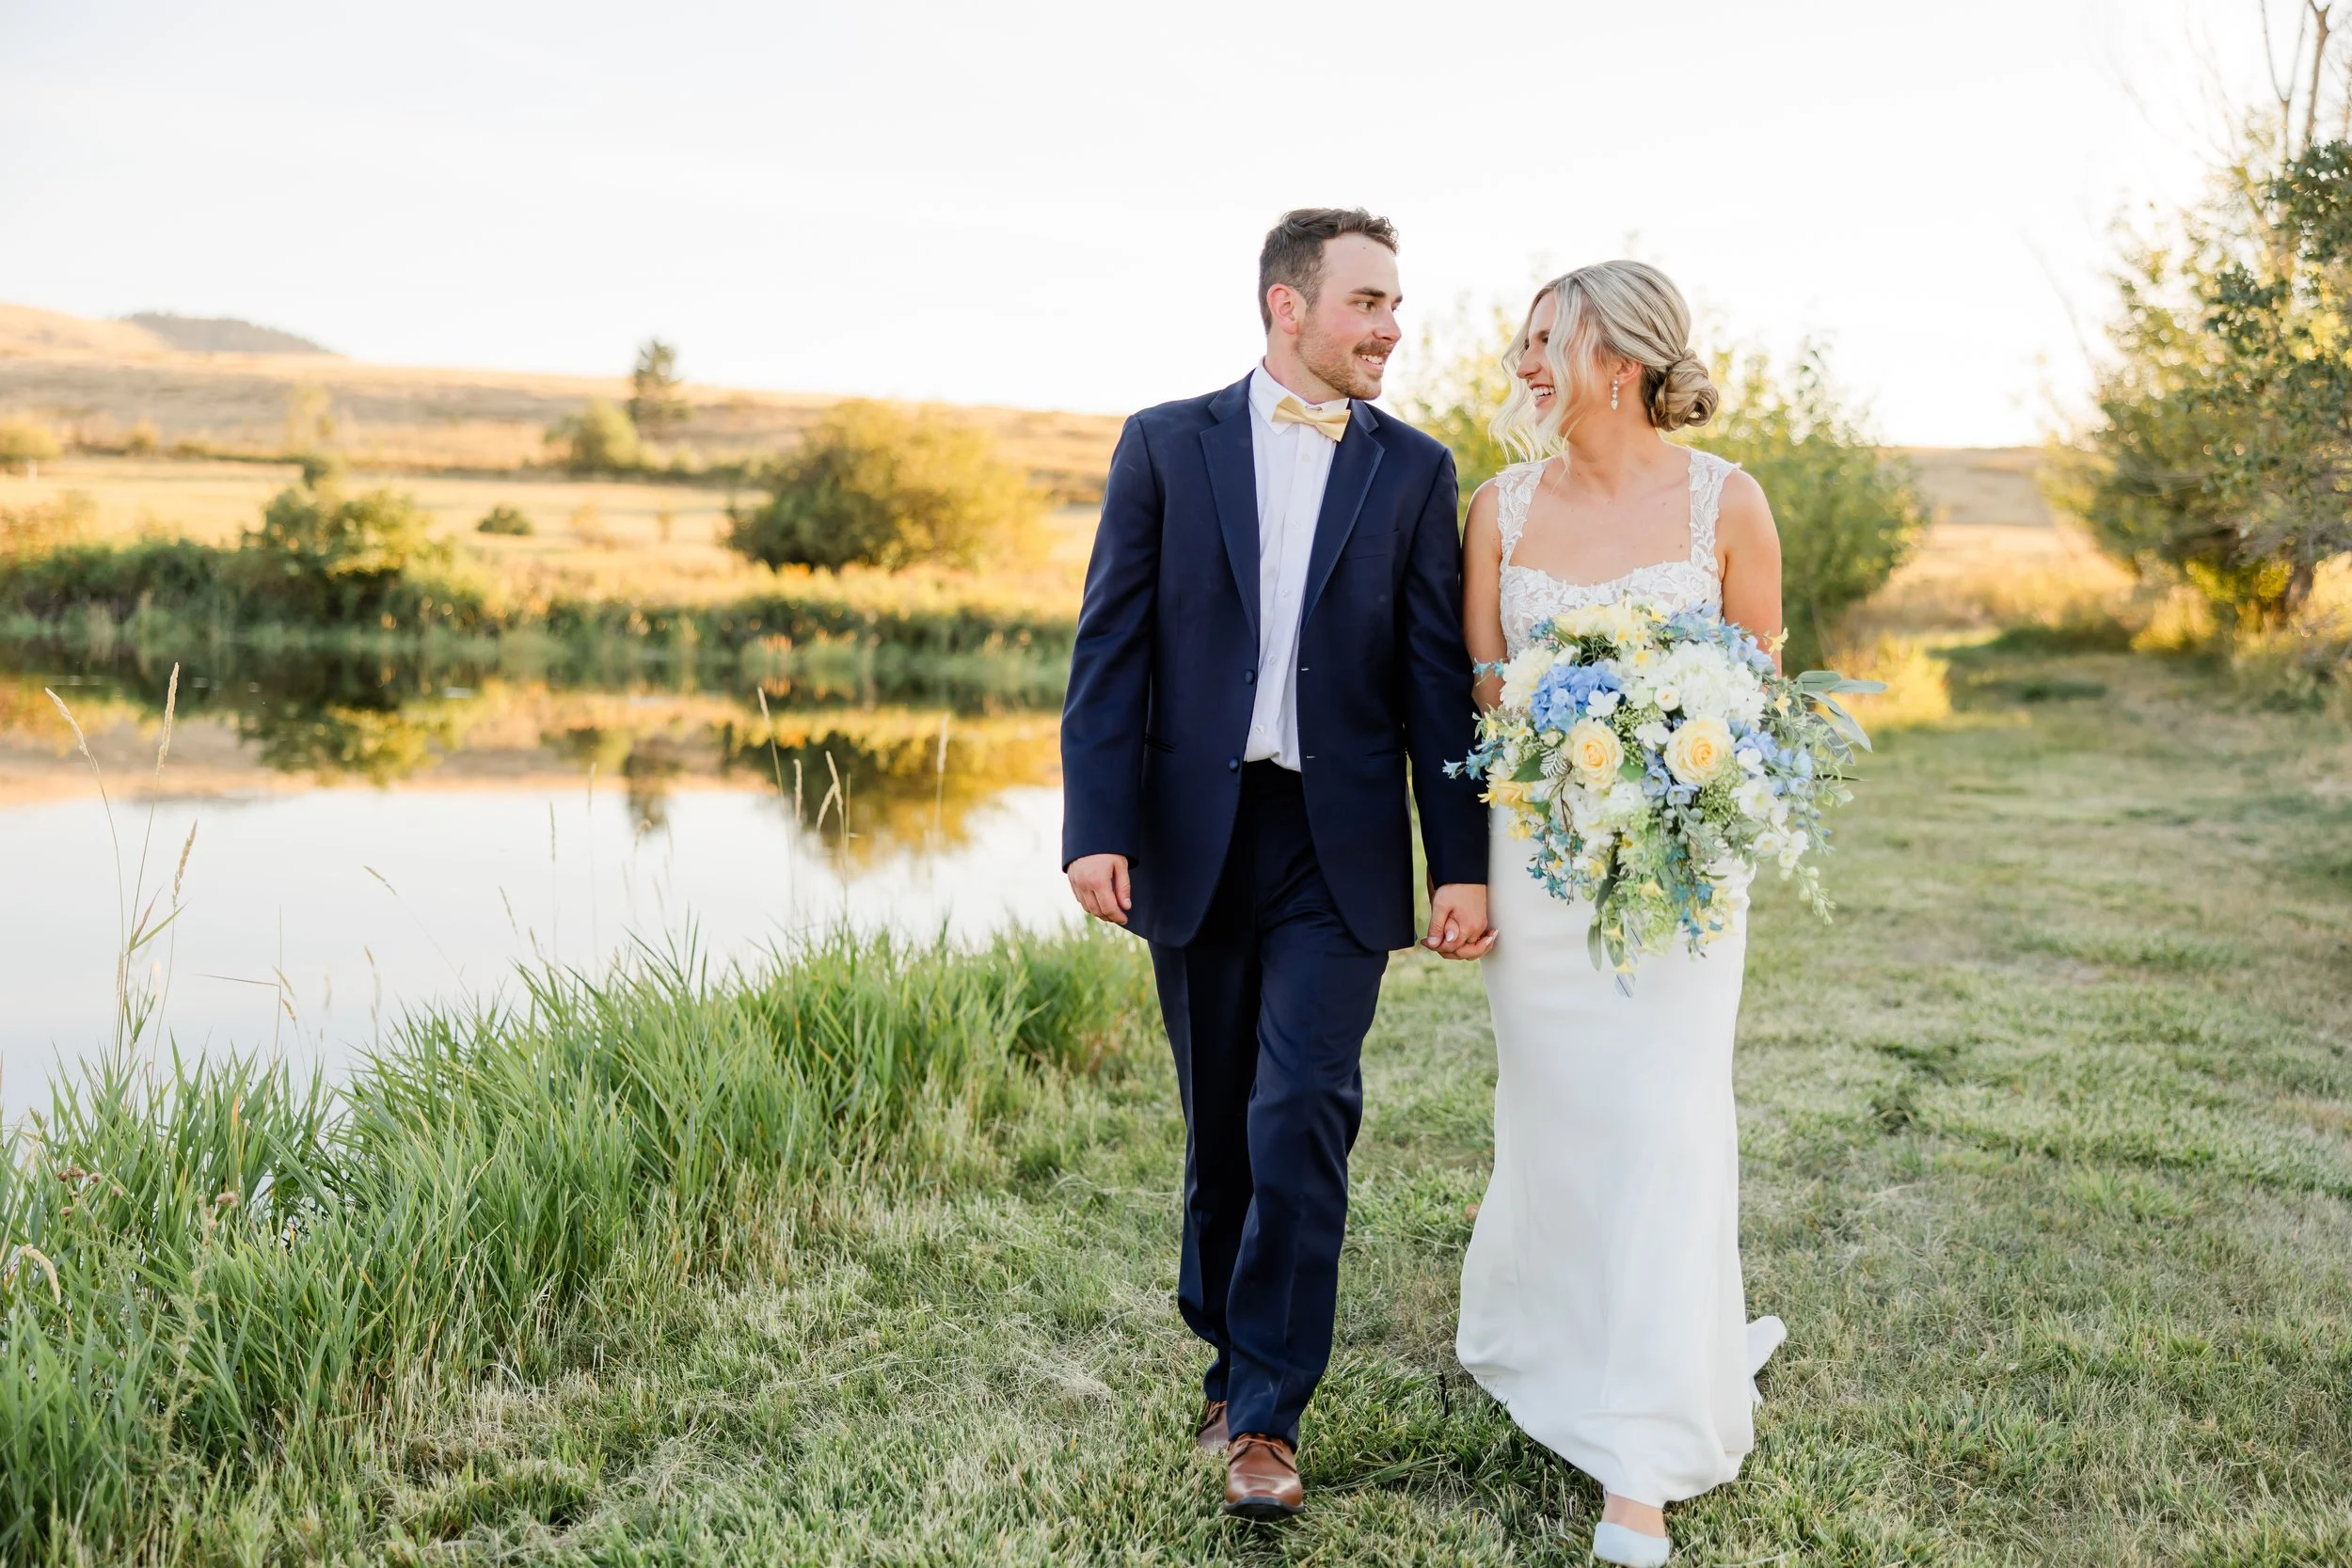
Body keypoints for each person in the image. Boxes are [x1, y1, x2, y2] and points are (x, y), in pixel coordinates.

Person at [1060, 207, 1492, 1521]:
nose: (1392, 328)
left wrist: (1459, 859)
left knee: (1302, 1108)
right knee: (1222, 1126)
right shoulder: (1164, 444)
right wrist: (1096, 825)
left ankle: (1265, 1415)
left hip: (1337, 843)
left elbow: (1434, 680)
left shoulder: (1416, 470)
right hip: (1194, 834)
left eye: (1396, 304)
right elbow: (1111, 646)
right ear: (1286, 306)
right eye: (1368, 302)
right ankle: (1225, 1347)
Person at [1454, 259, 1788, 1568]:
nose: (1525, 363)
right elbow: (1486, 690)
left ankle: (1642, 1458)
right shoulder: (1496, 508)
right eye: (1523, 340)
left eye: (1549, 338)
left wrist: (1667, 760)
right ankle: (1553, 1339)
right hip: (1539, 862)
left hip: (1681, 873)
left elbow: (1760, 702)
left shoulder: (1729, 501)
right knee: (1559, 1116)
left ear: (1622, 358)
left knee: (1662, 1121)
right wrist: (1564, 760)